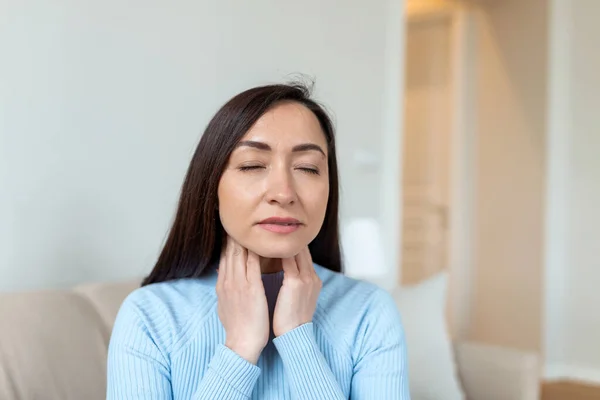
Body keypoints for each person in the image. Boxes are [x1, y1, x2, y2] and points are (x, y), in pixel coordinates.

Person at [106, 82, 411, 399]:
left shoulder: (368, 312)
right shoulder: (150, 316)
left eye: (307, 168)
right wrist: (240, 348)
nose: (283, 193)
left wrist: (297, 339)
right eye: (252, 165)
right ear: (211, 187)